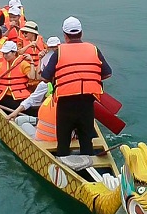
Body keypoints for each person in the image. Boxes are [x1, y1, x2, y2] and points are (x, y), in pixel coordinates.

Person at [41, 16, 112, 156]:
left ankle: (63, 164)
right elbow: (107, 73)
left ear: (65, 35)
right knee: (86, 140)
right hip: (87, 102)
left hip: (65, 104)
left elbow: (44, 77)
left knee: (64, 141)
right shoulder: (93, 49)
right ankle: (88, 164)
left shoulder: (58, 52)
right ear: (81, 33)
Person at [0, 41, 33, 111]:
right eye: (3, 53)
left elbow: (32, 77)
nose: (4, 56)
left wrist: (32, 62)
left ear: (14, 53)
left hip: (20, 98)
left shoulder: (23, 64)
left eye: (7, 53)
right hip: (3, 97)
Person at [18, 21, 46, 89]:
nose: (24, 34)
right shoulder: (21, 40)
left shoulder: (41, 40)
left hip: (39, 68)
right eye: (23, 32)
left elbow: (46, 50)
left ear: (33, 33)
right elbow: (19, 52)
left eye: (26, 32)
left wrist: (43, 52)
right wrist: (29, 45)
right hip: (28, 69)